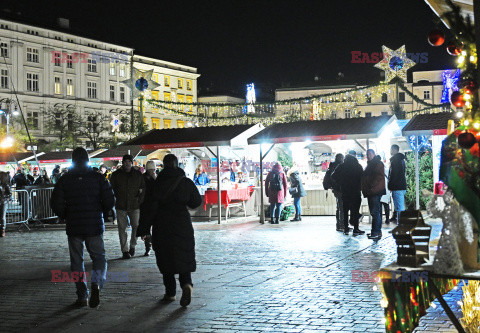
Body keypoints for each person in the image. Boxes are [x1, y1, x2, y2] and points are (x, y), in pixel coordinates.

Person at [50, 147, 115, 308]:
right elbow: (109, 200)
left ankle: (82, 294)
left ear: (73, 160)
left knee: (77, 261)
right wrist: (103, 211)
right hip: (94, 223)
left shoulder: (65, 179)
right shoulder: (98, 178)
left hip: (74, 225)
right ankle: (97, 283)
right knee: (99, 257)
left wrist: (64, 214)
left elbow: (56, 202)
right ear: (87, 159)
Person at [138, 154, 201, 307]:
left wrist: (144, 229)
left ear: (164, 166)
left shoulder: (157, 184)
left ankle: (170, 293)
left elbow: (149, 208)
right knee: (183, 255)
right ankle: (187, 284)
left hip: (162, 224)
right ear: (177, 164)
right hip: (182, 223)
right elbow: (196, 202)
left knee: (166, 258)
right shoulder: (185, 182)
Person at [110, 154, 146, 259]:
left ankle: (132, 245)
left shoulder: (137, 174)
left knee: (136, 226)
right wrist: (114, 200)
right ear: (123, 162)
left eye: (129, 161)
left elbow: (143, 188)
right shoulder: (116, 175)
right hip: (121, 205)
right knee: (122, 228)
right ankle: (125, 250)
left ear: (132, 162)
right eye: (125, 161)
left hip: (134, 205)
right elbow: (111, 189)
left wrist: (139, 200)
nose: (127, 163)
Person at [332, 154, 364, 235]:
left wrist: (340, 183)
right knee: (355, 211)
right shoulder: (358, 166)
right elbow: (363, 178)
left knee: (345, 211)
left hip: (345, 192)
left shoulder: (341, 166)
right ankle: (356, 229)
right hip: (355, 192)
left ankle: (346, 228)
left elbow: (333, 176)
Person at [361, 149, 386, 240]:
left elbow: (378, 178)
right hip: (373, 191)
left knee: (375, 212)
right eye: (367, 154)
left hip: (374, 191)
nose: (368, 156)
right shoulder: (372, 164)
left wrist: (371, 187)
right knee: (376, 212)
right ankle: (377, 231)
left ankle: (375, 232)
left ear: (374, 154)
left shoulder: (376, 164)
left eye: (370, 154)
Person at [138, 160, 156, 256]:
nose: (153, 171)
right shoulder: (144, 178)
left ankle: (149, 246)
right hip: (147, 206)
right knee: (146, 228)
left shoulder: (155, 178)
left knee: (147, 228)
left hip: (150, 206)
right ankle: (149, 246)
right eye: (151, 169)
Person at [324, 154, 344, 231]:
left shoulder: (332, 166)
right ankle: (342, 225)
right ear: (341, 158)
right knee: (342, 207)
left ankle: (339, 225)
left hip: (335, 189)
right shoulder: (338, 167)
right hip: (339, 189)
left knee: (339, 207)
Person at [388, 144, 407, 224]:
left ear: (394, 150)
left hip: (397, 187)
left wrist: (390, 185)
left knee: (399, 207)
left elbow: (393, 174)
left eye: (391, 149)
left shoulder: (395, 161)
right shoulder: (401, 160)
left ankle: (401, 226)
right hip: (401, 186)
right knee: (399, 206)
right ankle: (400, 225)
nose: (390, 151)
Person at [0, 171, 11, 237]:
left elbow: (9, 193)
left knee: (2, 217)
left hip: (3, 201)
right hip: (3, 200)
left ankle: (2, 230)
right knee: (2, 217)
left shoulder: (5, 185)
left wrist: (6, 199)